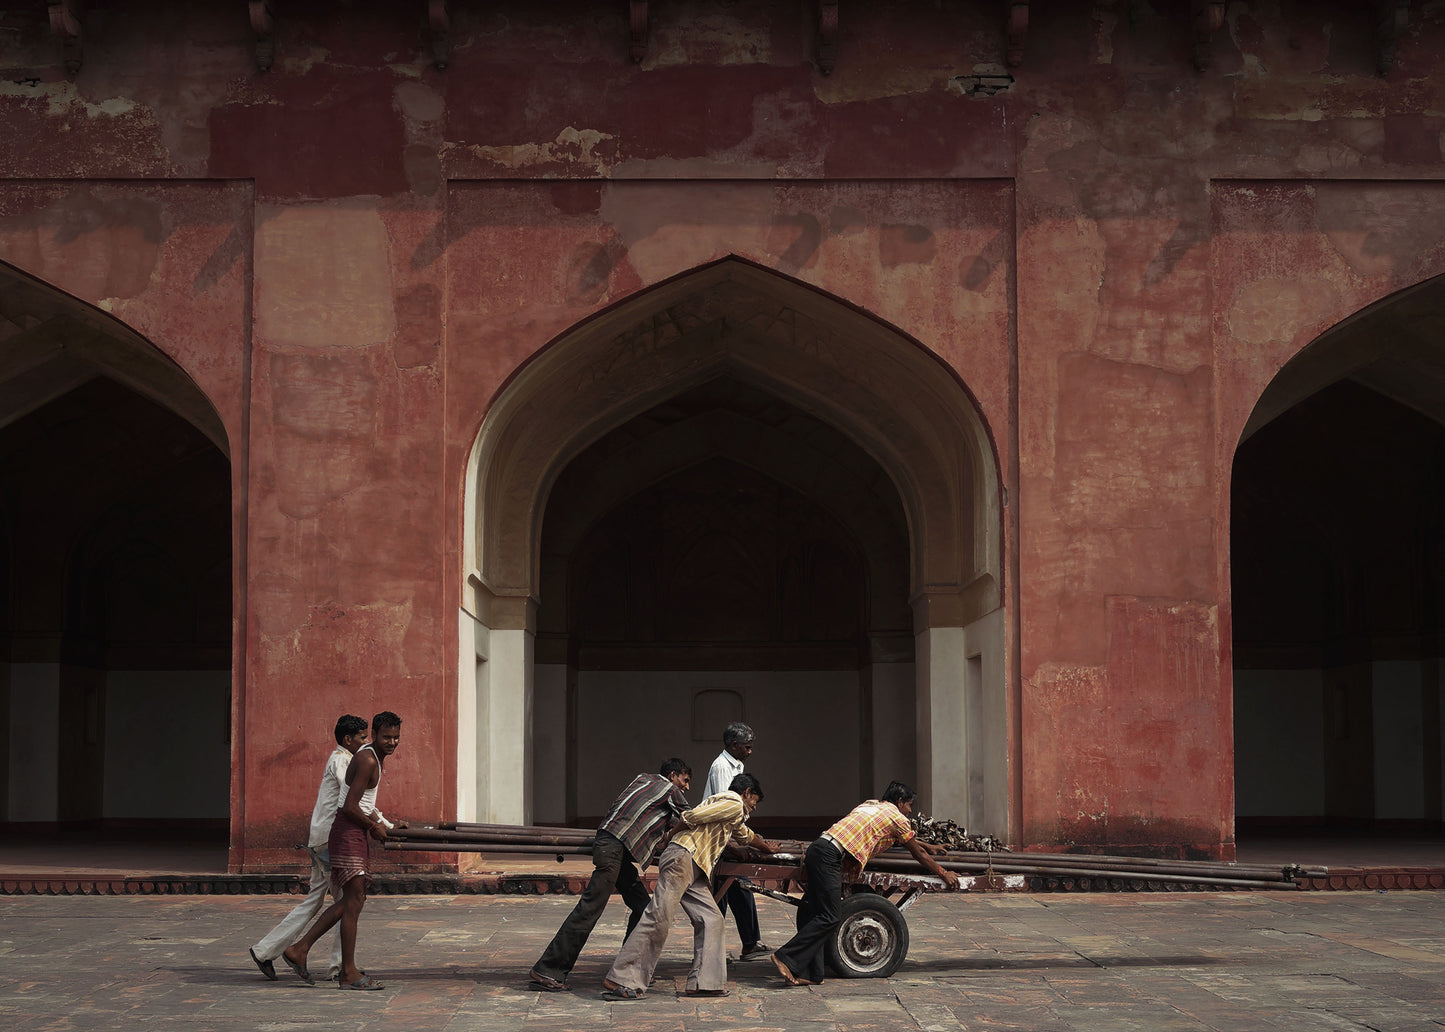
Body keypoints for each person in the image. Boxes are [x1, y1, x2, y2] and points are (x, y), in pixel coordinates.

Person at [601, 773, 777, 1000]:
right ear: (747, 793)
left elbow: (744, 836)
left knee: (712, 919)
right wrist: (669, 837)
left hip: (696, 866)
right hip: (684, 858)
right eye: (755, 801)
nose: (754, 807)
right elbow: (690, 816)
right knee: (659, 916)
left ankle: (705, 983)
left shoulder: (728, 809)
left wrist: (765, 847)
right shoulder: (733, 802)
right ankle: (623, 979)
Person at [248, 714, 394, 981]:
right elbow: (354, 803)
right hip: (332, 838)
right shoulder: (344, 761)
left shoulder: (349, 758)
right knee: (349, 901)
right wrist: (382, 824)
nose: (364, 743)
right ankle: (336, 966)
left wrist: (386, 822)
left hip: (325, 837)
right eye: (362, 738)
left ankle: (267, 950)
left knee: (324, 901)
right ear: (347, 739)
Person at [771, 781, 959, 986]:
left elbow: (901, 839)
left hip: (820, 848)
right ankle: (785, 957)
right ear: (900, 801)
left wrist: (929, 845)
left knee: (818, 913)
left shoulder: (870, 805)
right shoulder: (897, 817)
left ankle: (808, 972)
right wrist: (943, 872)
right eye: (910, 805)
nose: (910, 810)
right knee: (830, 917)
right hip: (830, 857)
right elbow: (917, 852)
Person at [528, 758, 694, 992]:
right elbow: (691, 818)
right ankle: (548, 969)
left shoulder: (642, 779)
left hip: (611, 844)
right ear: (674, 775)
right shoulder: (670, 790)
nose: (686, 787)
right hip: (615, 848)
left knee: (641, 906)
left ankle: (629, 969)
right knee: (589, 908)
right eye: (685, 781)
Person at [281, 711, 406, 991]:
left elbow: (363, 803)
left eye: (396, 737)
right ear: (374, 734)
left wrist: (385, 823)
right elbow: (349, 807)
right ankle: (347, 972)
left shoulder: (372, 757)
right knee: (354, 900)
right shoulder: (367, 759)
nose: (392, 742)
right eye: (386, 736)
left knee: (353, 900)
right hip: (347, 832)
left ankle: (300, 950)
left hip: (352, 832)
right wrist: (374, 826)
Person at [703, 721, 768, 961]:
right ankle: (719, 951)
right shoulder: (721, 767)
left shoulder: (737, 764)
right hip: (720, 839)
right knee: (726, 890)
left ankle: (746, 944)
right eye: (746, 747)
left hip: (729, 837)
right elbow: (726, 808)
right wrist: (737, 845)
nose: (750, 752)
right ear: (733, 745)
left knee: (734, 889)